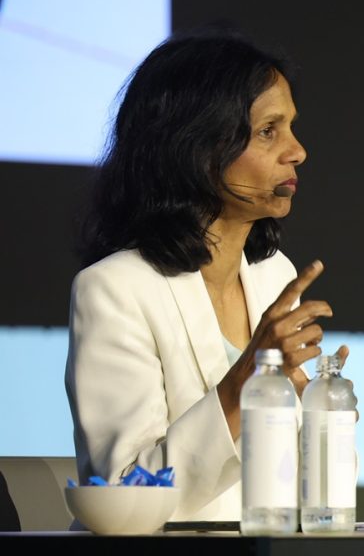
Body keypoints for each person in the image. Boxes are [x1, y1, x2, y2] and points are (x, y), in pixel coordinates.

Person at [65, 32, 348, 521]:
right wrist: (245, 381)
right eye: (268, 131)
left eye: (291, 127)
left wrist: (327, 420)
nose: (298, 151)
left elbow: (308, 495)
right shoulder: (114, 290)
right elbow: (124, 496)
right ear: (196, 147)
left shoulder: (275, 276)